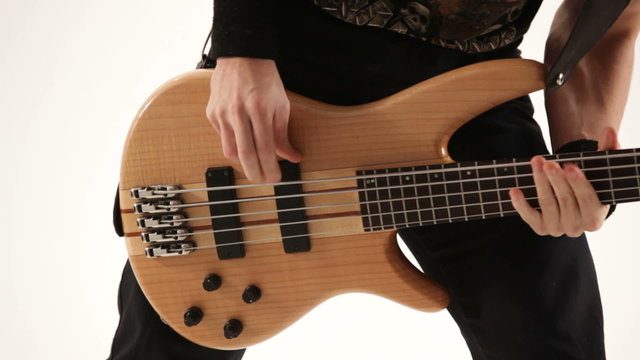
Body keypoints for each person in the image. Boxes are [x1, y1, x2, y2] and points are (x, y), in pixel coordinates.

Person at [108, 1, 640, 359]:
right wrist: (242, 45)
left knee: (553, 340)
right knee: (170, 339)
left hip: (468, 98)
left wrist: (582, 161)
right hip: (293, 65)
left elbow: (610, 17)